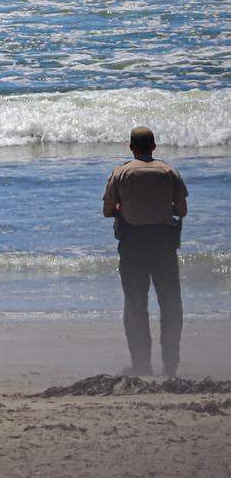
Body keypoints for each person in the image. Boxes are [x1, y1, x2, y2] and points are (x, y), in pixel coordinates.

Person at [102, 126, 188, 377]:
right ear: (154, 147)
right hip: (163, 243)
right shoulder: (168, 171)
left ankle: (142, 364)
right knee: (170, 303)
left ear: (131, 147)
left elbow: (108, 211)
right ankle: (170, 364)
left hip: (132, 245)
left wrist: (124, 209)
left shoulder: (121, 173)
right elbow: (181, 210)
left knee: (135, 304)